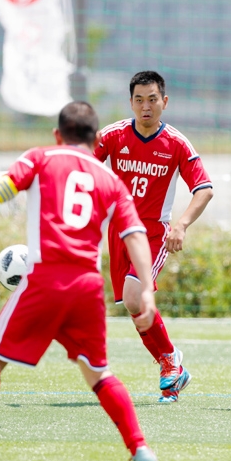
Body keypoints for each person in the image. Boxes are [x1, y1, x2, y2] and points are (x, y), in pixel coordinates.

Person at [0, 102, 159, 461]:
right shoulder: (110, 181)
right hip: (87, 286)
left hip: (44, 279)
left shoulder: (41, 158)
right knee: (99, 374)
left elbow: (4, 190)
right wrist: (147, 288)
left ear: (58, 135)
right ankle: (140, 449)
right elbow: (135, 236)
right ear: (96, 138)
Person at [95, 71, 214, 403]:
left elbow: (204, 190)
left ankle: (171, 361)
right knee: (136, 309)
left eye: (152, 99)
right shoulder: (112, 136)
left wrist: (182, 225)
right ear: (130, 102)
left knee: (135, 298)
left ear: (164, 101)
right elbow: (81, 164)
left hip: (151, 235)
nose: (145, 107)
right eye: (138, 100)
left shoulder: (176, 143)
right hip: (118, 233)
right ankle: (171, 368)